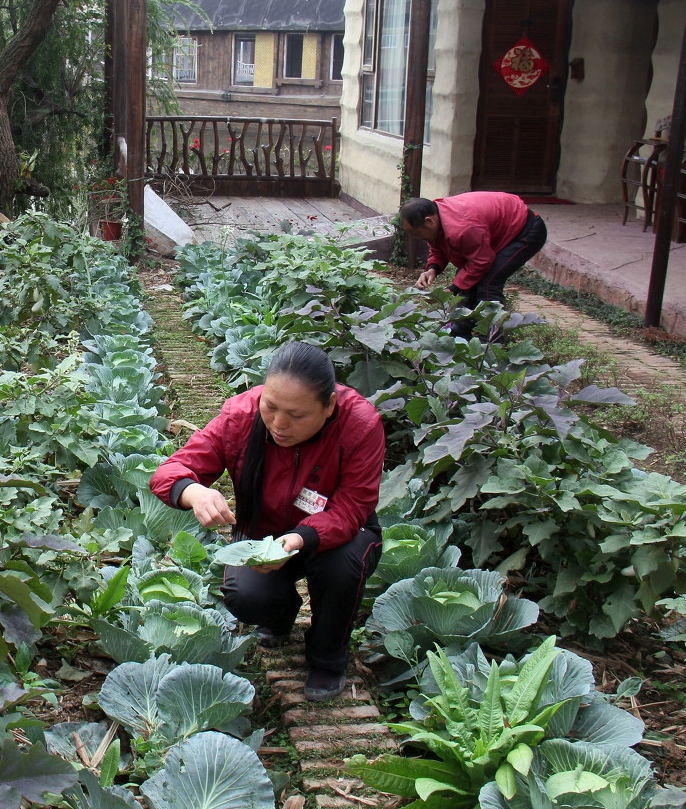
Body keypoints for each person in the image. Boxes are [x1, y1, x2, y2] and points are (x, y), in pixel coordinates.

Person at [150, 343, 385, 702]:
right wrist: (193, 492)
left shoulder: (360, 424)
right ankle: (280, 614)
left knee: (340, 568)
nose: (278, 423)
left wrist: (298, 539)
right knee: (245, 595)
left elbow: (353, 507)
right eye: (270, 407)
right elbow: (170, 471)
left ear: (329, 407)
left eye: (296, 415)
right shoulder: (241, 416)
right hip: (266, 538)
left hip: (340, 534)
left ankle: (327, 658)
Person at [400, 192, 548, 338]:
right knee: (468, 279)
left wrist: (452, 289)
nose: (417, 238)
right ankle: (459, 332)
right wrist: (433, 268)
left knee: (489, 280)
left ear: (429, 221)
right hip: (496, 230)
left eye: (417, 233)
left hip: (525, 230)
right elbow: (438, 245)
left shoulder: (463, 228)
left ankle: (489, 339)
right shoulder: (437, 217)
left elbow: (481, 261)